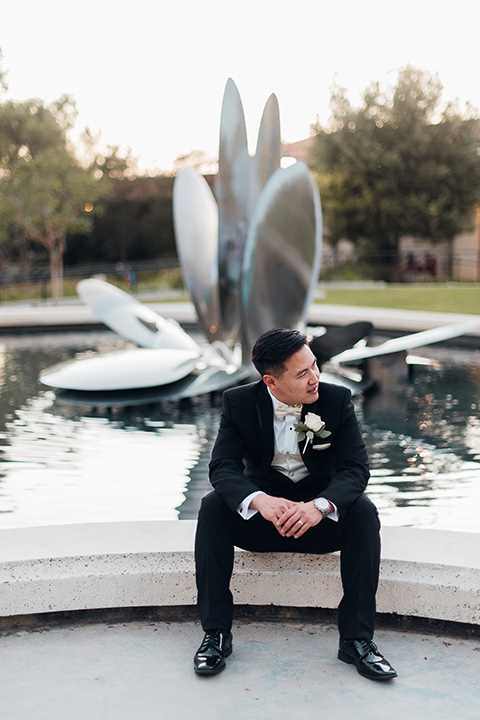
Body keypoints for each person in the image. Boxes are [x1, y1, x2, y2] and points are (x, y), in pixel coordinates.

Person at [193, 328, 397, 681]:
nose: (315, 377)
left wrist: (319, 506)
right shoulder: (239, 402)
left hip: (317, 523)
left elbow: (355, 468)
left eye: (314, 366)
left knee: (363, 511)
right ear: (271, 381)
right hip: (264, 522)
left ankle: (356, 640)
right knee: (212, 507)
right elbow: (222, 466)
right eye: (303, 373)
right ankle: (216, 635)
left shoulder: (335, 399)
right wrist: (259, 502)